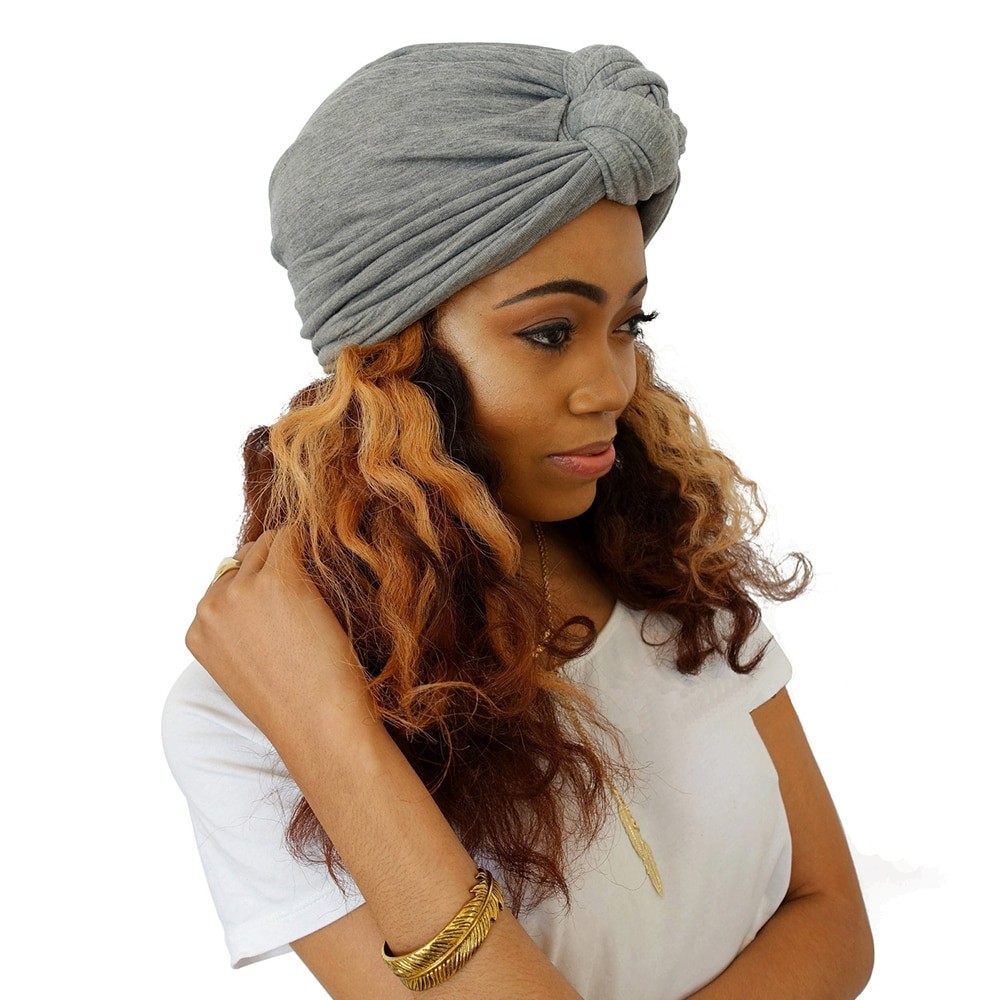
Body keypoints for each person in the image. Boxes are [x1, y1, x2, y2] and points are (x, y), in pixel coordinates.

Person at [162, 42, 873, 999]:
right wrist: (331, 731)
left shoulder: (662, 562)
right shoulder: (243, 714)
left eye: (627, 325)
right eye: (549, 333)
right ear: (391, 356)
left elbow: (832, 916)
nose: (611, 386)